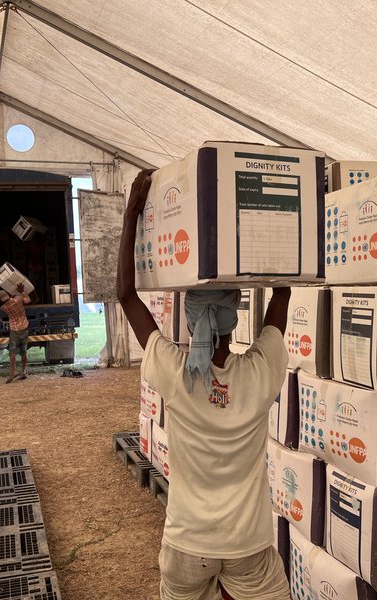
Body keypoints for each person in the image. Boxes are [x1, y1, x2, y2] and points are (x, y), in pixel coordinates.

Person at [117, 169, 292, 600]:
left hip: (187, 543)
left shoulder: (176, 374)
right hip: (248, 544)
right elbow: (283, 295)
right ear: (237, 318)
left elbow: (126, 295)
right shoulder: (259, 372)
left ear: (190, 319)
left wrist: (132, 215)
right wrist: (279, 222)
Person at [0, 282, 31, 383]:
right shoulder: (18, 299)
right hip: (24, 328)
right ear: (8, 295)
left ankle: (12, 373)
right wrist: (21, 291)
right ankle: (23, 371)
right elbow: (28, 300)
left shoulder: (4, 308)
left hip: (14, 330)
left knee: (12, 352)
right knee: (23, 351)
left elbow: (6, 304)